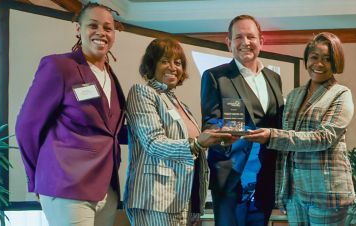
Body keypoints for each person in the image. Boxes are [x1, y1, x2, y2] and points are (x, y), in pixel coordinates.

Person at [15, 3, 126, 226]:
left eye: (108, 28)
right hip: (66, 185)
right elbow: (27, 127)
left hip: (107, 189)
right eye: (92, 25)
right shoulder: (60, 66)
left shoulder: (111, 76)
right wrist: (36, 178)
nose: (101, 33)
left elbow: (111, 131)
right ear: (78, 29)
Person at [243, 32, 355, 225]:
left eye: (327, 59)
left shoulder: (341, 94)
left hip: (326, 194)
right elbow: (286, 149)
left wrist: (272, 136)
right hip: (295, 193)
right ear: (306, 59)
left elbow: (324, 138)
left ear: (336, 62)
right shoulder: (294, 95)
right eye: (314, 57)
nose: (319, 64)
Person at [124, 38, 236, 226]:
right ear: (152, 64)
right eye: (164, 61)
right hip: (156, 200)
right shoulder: (142, 93)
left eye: (178, 63)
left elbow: (194, 151)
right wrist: (198, 143)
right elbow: (153, 143)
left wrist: (217, 139)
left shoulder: (181, 105)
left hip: (184, 200)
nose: (173, 67)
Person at [201, 15, 284, 226]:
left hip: (265, 178)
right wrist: (227, 134)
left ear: (261, 41)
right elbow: (211, 122)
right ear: (229, 43)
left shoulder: (274, 79)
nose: (245, 42)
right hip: (231, 178)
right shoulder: (215, 77)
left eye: (250, 36)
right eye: (238, 37)